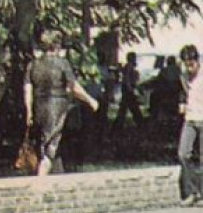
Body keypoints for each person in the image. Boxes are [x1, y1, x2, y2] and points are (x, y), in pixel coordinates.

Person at [23, 31, 100, 176]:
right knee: (50, 148)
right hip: (57, 108)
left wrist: (29, 111)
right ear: (57, 45)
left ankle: (59, 179)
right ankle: (39, 185)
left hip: (39, 107)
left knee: (47, 145)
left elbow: (27, 89)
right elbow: (73, 87)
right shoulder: (62, 64)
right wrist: (90, 100)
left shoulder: (33, 64)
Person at [176, 44, 203, 205]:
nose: (190, 69)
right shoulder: (183, 76)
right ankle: (191, 191)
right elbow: (184, 91)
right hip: (190, 117)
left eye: (192, 64)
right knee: (183, 153)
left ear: (197, 61)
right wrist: (183, 102)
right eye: (186, 65)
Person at [114, 52, 146, 128]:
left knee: (125, 107)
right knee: (132, 106)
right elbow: (127, 78)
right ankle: (140, 122)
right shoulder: (129, 66)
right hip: (128, 88)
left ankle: (119, 123)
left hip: (128, 88)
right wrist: (130, 88)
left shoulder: (130, 66)